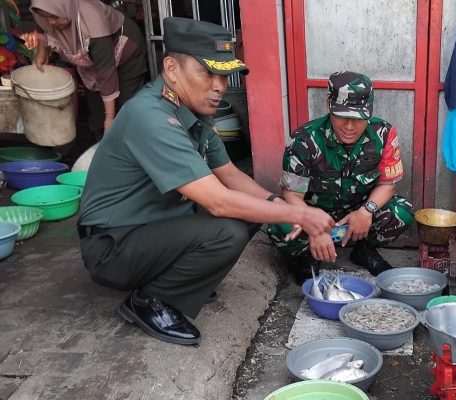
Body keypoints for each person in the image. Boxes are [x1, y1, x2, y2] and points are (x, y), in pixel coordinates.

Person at [77, 17, 334, 345]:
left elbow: (229, 174)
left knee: (253, 213)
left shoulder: (196, 113)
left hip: (152, 227)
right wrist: (298, 214)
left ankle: (183, 278)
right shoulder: (151, 117)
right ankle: (150, 300)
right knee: (227, 229)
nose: (219, 86)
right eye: (207, 73)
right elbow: (218, 199)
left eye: (224, 76)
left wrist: (278, 205)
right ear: (171, 70)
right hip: (113, 246)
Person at [266, 71, 414, 284]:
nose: (349, 126)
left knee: (403, 211)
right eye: (342, 116)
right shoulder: (305, 139)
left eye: (358, 118)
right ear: (329, 106)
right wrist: (313, 226)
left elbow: (388, 184)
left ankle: (364, 250)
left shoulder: (383, 133)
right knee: (279, 225)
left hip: (357, 214)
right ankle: (306, 257)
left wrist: (366, 211)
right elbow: (291, 195)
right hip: (315, 214)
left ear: (369, 112)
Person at [31, 0, 148, 138]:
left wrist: (110, 118)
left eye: (55, 16)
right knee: (98, 112)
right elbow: (42, 27)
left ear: (65, 9)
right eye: (46, 17)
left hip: (124, 51)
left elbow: (106, 73)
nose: (50, 22)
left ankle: (131, 146)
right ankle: (101, 144)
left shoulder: (92, 20)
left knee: (126, 109)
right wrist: (41, 54)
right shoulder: (47, 17)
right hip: (92, 59)